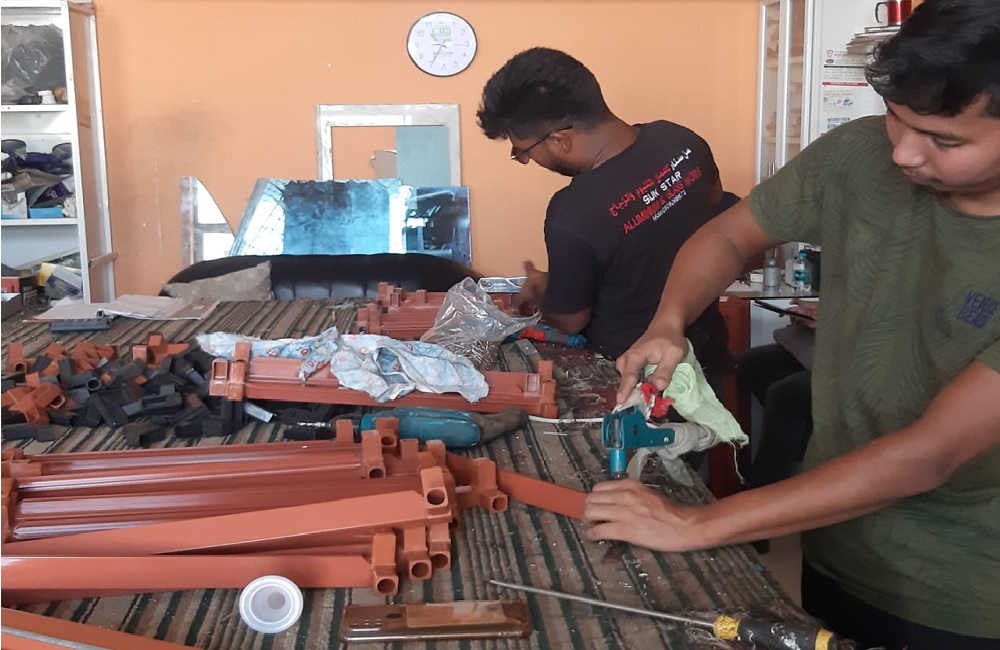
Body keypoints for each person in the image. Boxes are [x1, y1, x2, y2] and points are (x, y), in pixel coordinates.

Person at [582, 1, 1000, 647]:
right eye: (895, 117)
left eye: (944, 140)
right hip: (836, 543)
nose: (904, 153)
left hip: (964, 594)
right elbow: (727, 236)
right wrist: (668, 322)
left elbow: (929, 455)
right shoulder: (856, 155)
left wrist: (694, 524)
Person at [476, 47, 735, 385]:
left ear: (560, 140)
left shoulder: (572, 213)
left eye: (523, 151)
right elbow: (719, 221)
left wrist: (543, 288)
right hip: (708, 354)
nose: (524, 160)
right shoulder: (682, 141)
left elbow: (570, 321)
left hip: (638, 378)